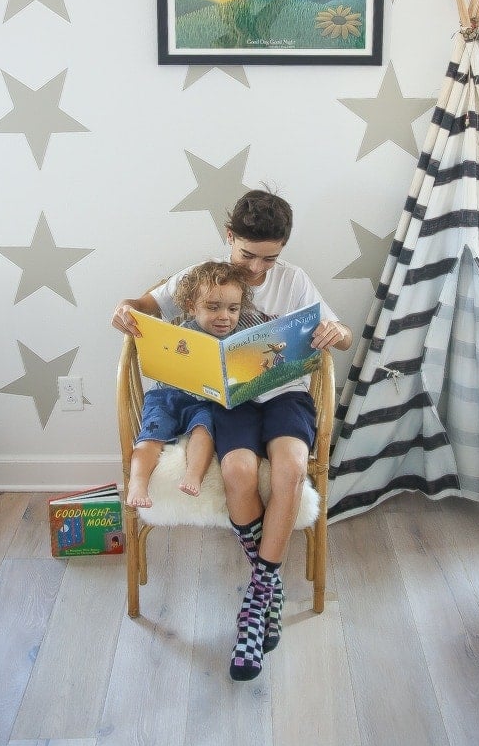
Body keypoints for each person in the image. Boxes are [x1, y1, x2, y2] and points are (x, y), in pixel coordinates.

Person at [112, 189, 353, 682]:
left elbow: (341, 332)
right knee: (239, 468)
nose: (259, 269)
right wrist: (125, 309)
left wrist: (336, 334)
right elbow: (146, 304)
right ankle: (270, 583)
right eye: (248, 255)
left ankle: (258, 595)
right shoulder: (202, 274)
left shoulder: (294, 281)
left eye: (270, 258)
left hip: (285, 395)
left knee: (288, 469)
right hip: (230, 400)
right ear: (229, 238)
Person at [125, 261, 257, 509]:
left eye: (233, 309)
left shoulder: (239, 339)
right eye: (213, 307)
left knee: (204, 431)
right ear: (191, 307)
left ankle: (193, 476)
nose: (224, 317)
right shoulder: (182, 333)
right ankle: (137, 483)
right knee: (150, 438)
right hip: (167, 397)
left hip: (204, 403)